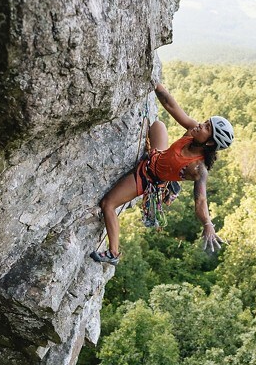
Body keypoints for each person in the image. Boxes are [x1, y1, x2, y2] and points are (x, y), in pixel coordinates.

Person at [90, 82, 234, 266]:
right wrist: (154, 83)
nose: (200, 125)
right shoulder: (192, 131)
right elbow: (171, 106)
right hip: (157, 156)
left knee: (108, 204)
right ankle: (165, 173)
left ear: (210, 143)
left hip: (149, 176)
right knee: (159, 125)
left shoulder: (198, 169)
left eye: (207, 128)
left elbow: (201, 201)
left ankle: (113, 253)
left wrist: (207, 224)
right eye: (206, 122)